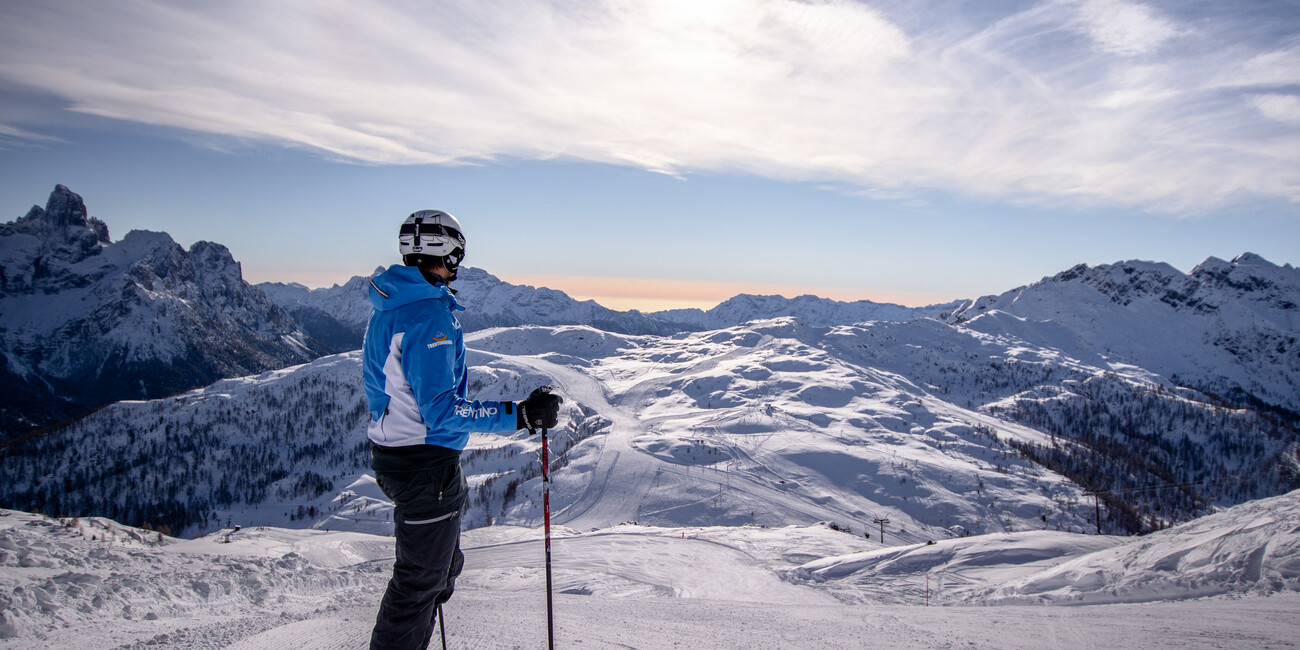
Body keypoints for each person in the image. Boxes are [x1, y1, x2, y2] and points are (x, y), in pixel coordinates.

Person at [363, 209, 563, 649]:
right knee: (419, 584)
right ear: (440, 254)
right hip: (424, 464)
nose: (458, 266)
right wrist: (521, 416)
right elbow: (441, 410)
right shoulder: (428, 316)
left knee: (440, 568)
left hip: (400, 457)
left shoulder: (391, 306)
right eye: (456, 256)